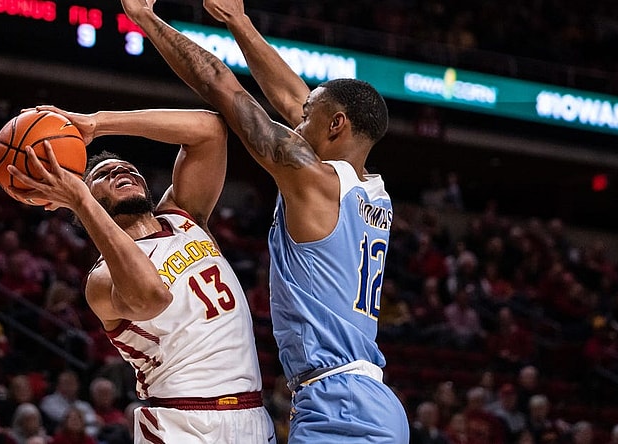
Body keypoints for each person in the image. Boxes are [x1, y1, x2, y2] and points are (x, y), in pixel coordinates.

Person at [118, 0, 409, 441]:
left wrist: (145, 18)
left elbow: (221, 87)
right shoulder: (368, 187)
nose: (296, 123)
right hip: (362, 400)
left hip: (341, 404)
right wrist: (238, 20)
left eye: (307, 119)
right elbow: (296, 100)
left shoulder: (314, 182)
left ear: (336, 125)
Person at [5, 106, 274, 443]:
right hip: (182, 424)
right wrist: (79, 200)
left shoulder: (184, 217)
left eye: (127, 167)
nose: (121, 170)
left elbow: (211, 129)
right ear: (87, 199)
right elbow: (152, 296)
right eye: (103, 175)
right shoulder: (101, 279)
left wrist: (98, 123)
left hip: (252, 415)